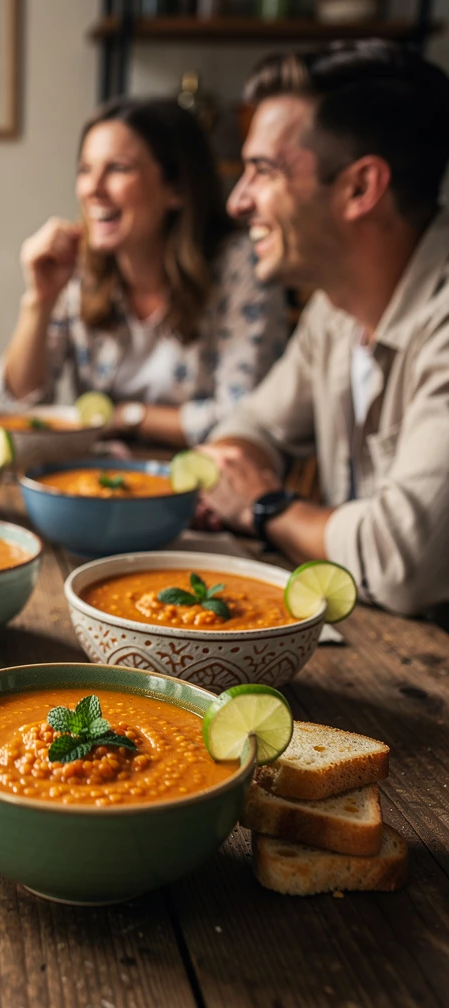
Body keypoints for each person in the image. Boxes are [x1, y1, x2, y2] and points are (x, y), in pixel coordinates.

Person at [200, 40, 449, 618]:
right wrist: (232, 465)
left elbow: (399, 562)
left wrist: (264, 507)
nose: (239, 201)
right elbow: (252, 422)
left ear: (360, 188)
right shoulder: (334, 308)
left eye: (263, 171)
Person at [0, 97, 288, 448]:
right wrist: (38, 300)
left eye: (117, 168)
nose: (93, 189)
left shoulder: (243, 267)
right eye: (85, 170)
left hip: (205, 488)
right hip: (97, 483)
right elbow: (21, 408)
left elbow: (245, 417)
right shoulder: (76, 266)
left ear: (176, 189)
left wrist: (128, 417)